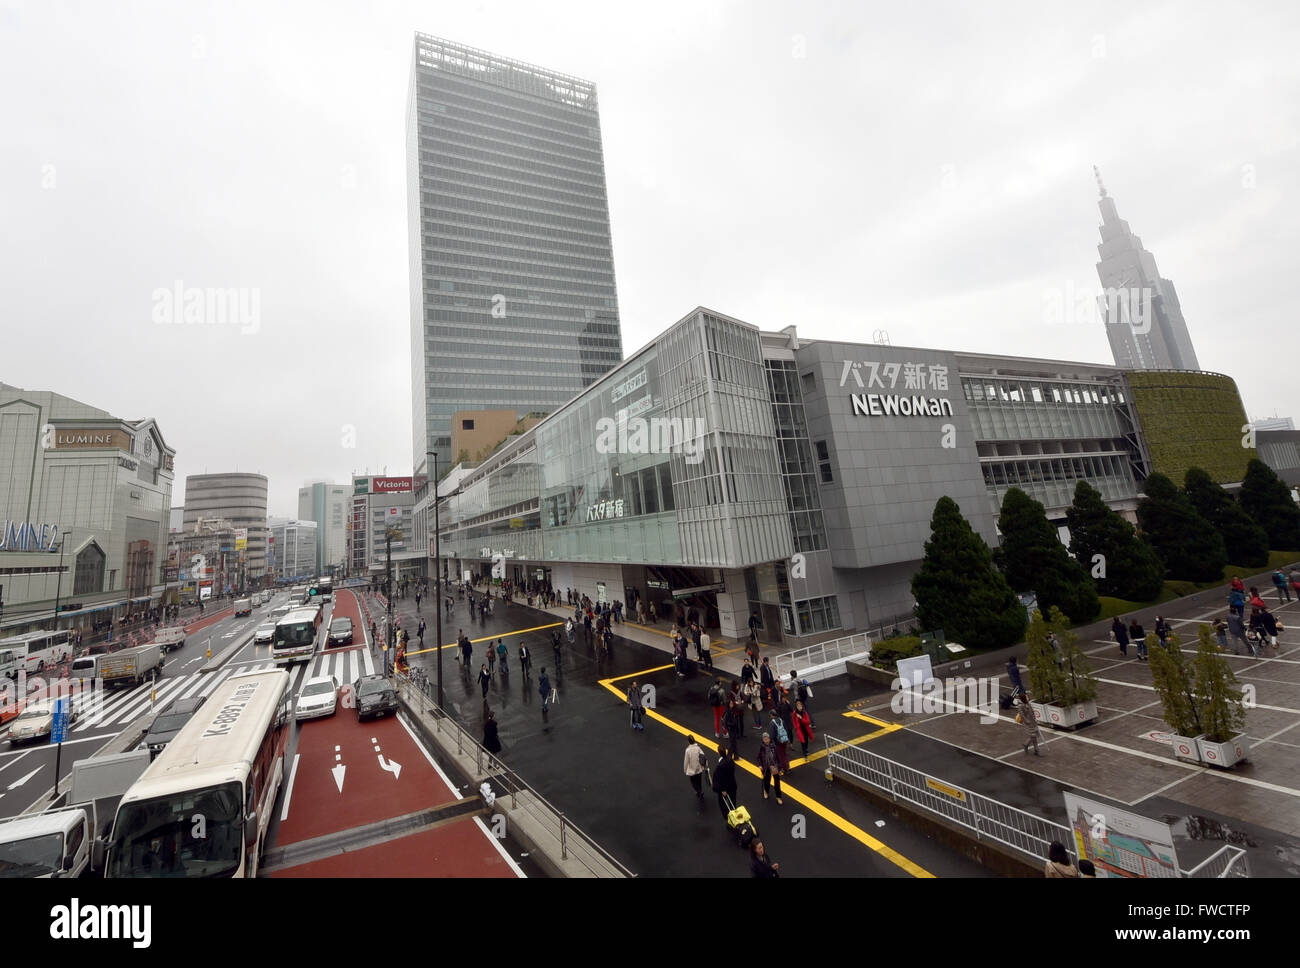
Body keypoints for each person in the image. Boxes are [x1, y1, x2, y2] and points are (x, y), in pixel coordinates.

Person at [757, 732, 784, 804]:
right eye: (764, 738)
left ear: (769, 739)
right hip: (766, 767)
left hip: (775, 766)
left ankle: (779, 797)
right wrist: (760, 765)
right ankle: (766, 791)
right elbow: (758, 757)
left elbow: (778, 757)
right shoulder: (762, 747)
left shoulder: (774, 746)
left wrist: (780, 768)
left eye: (767, 738)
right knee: (767, 781)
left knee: (777, 783)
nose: (766, 740)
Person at [711, 747, 738, 819]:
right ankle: (734, 815)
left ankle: (727, 816)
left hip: (725, 788)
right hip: (732, 784)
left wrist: (723, 789)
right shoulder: (730, 760)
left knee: (722, 802)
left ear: (719, 753)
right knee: (733, 801)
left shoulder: (720, 766)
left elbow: (720, 778)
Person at [683, 736, 706, 802]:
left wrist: (685, 769)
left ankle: (699, 791)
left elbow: (686, 761)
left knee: (693, 782)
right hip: (699, 769)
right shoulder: (698, 748)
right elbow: (703, 755)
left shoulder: (687, 750)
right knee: (699, 781)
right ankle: (700, 791)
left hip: (692, 770)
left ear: (688, 742)